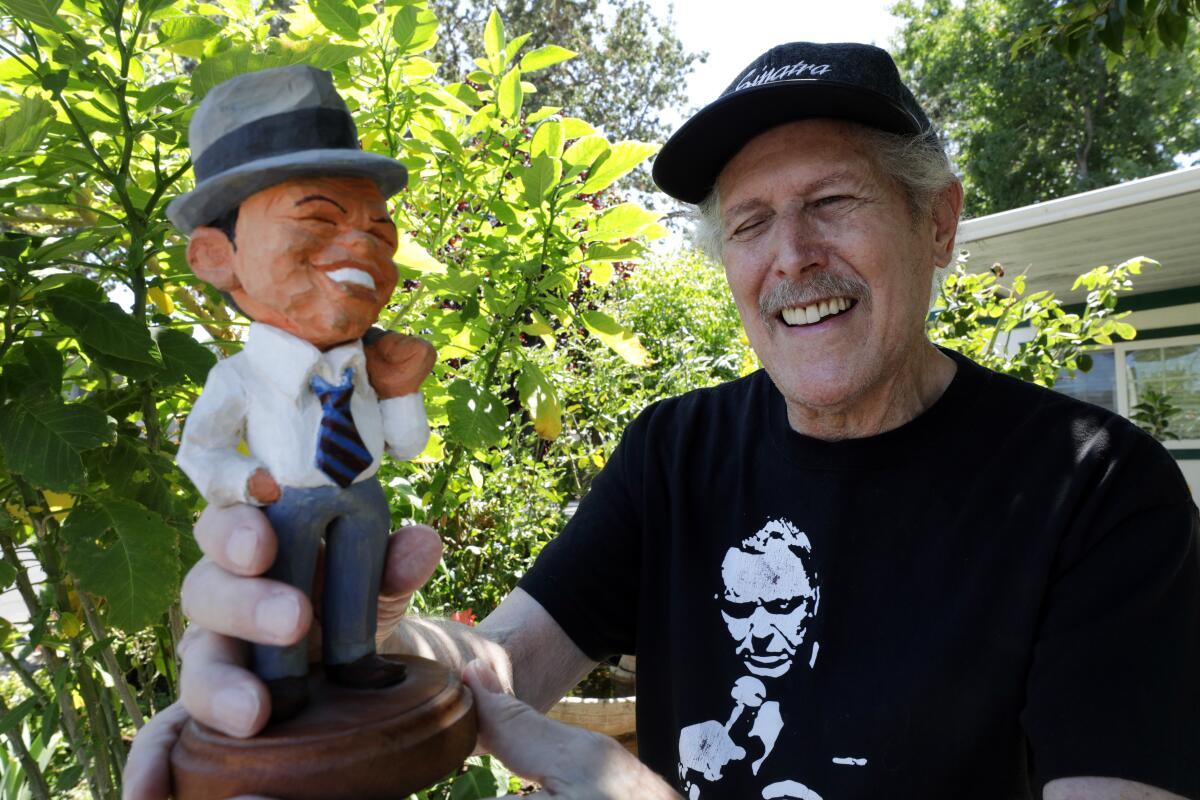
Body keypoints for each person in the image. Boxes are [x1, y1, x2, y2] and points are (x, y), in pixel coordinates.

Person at [125, 43, 1200, 800]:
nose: (790, 258)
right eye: (748, 222)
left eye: (832, 202)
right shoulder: (678, 450)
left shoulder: (1098, 488)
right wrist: (328, 650)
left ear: (938, 221)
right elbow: (502, 664)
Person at [165, 65, 437, 721]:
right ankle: (281, 669)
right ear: (215, 256)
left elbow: (405, 445)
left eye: (380, 231)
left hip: (364, 493)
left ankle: (352, 654)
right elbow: (197, 450)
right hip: (284, 500)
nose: (361, 247)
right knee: (280, 591)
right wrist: (244, 479)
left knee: (359, 580)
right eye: (318, 217)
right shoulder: (237, 378)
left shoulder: (370, 364)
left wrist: (401, 391)